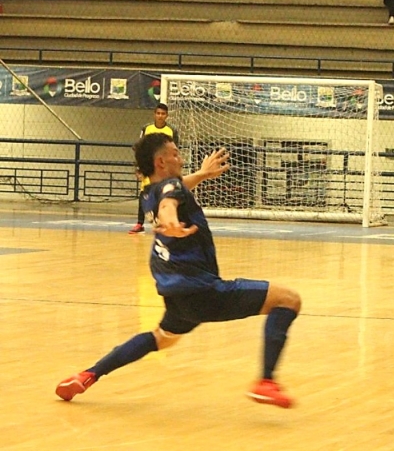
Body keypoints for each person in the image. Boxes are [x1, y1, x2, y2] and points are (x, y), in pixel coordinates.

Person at [56, 133, 301, 409]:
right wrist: (171, 222)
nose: (180, 157)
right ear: (161, 161)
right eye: (175, 153)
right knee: (288, 300)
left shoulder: (149, 191)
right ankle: (265, 382)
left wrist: (202, 175)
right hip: (202, 291)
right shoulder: (168, 192)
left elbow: (172, 192)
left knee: (161, 338)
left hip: (176, 295)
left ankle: (88, 375)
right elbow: (169, 203)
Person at [129, 103, 179, 234]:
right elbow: (140, 148)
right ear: (154, 114)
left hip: (164, 167)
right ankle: (139, 224)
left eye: (163, 114)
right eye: (158, 113)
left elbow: (175, 150)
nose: (160, 116)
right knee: (144, 193)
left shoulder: (172, 130)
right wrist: (139, 167)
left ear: (167, 115)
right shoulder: (147, 128)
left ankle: (164, 222)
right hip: (149, 165)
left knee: (166, 193)